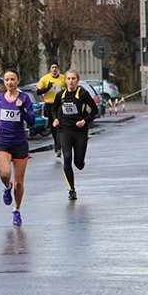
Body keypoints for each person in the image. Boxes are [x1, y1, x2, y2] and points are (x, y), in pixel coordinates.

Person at [0, 68, 35, 226]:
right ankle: (7, 188)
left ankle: (16, 210)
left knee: (19, 183)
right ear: (4, 81)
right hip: (3, 142)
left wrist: (22, 109)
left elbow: (32, 120)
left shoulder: (24, 98)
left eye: (12, 79)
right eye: (7, 80)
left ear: (18, 81)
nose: (9, 82)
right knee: (5, 174)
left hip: (19, 143)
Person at [51, 69, 98, 200]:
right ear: (65, 80)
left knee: (78, 164)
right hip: (65, 131)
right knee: (66, 158)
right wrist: (55, 119)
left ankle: (80, 162)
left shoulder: (82, 94)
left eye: (73, 79)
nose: (71, 81)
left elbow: (94, 110)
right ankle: (71, 190)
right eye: (68, 79)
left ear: (77, 80)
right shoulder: (60, 95)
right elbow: (54, 109)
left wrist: (84, 121)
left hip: (80, 132)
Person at [36, 60, 66, 158]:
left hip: (60, 105)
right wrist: (47, 88)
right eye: (52, 67)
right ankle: (56, 144)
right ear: (50, 69)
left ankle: (59, 145)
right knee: (53, 126)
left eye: (56, 67)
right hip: (49, 104)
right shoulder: (45, 79)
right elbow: (38, 92)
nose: (54, 69)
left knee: (60, 125)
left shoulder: (63, 78)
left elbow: (68, 89)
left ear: (58, 69)